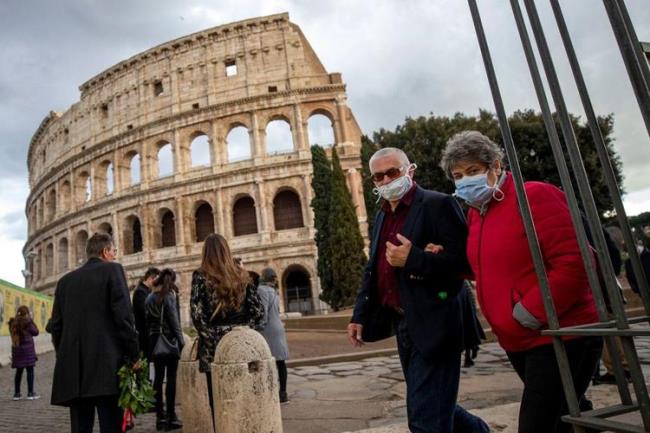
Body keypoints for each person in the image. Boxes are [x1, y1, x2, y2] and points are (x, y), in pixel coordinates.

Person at [439, 131, 602, 433]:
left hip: (559, 334)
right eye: (458, 175)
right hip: (519, 340)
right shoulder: (477, 215)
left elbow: (576, 261)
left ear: (496, 166)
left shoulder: (534, 196)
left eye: (473, 171)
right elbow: (487, 268)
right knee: (567, 416)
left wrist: (530, 311)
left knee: (538, 425)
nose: (465, 181)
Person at [347, 147, 489, 433]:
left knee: (425, 420)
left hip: (438, 320)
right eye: (378, 176)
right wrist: (359, 314)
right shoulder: (381, 216)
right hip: (404, 322)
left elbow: (466, 264)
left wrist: (415, 258)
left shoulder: (438, 204)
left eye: (392, 172)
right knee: (430, 402)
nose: (386, 180)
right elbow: (373, 269)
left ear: (410, 170)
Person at [49, 232, 139, 433]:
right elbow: (124, 318)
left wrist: (64, 354)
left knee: (81, 428)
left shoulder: (65, 282)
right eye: (114, 251)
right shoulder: (113, 271)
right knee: (111, 426)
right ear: (106, 251)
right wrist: (133, 355)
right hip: (107, 365)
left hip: (74, 369)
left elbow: (56, 326)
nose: (114, 256)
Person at [190, 233, 264, 419]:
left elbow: (197, 316)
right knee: (244, 401)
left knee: (219, 403)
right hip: (242, 346)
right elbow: (258, 312)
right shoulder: (242, 275)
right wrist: (243, 334)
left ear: (206, 252)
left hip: (213, 349)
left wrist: (216, 339)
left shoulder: (200, 276)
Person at [145, 268, 184, 431]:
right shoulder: (168, 296)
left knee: (158, 378)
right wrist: (181, 341)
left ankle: (159, 417)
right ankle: (171, 416)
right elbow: (174, 322)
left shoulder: (149, 297)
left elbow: (147, 320)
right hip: (168, 339)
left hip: (154, 340)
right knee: (171, 378)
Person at [256, 267, 290, 403]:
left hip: (268, 329)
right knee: (281, 362)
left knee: (267, 362)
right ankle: (283, 394)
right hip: (278, 328)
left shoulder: (261, 290)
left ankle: (270, 394)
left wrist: (258, 327)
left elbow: (263, 311)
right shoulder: (274, 290)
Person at [9, 305, 40, 401]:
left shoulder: (13, 322)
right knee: (30, 371)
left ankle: (16, 394)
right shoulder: (28, 322)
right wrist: (31, 320)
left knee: (19, 372)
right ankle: (30, 393)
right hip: (27, 351)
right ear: (26, 313)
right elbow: (36, 332)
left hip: (17, 350)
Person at [133, 267, 160, 361]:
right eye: (156, 280)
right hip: (144, 335)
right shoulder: (140, 292)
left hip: (149, 334)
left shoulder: (147, 291)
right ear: (150, 279)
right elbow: (146, 312)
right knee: (148, 363)